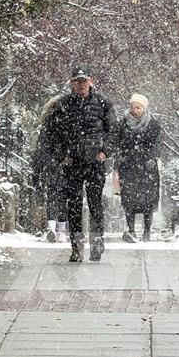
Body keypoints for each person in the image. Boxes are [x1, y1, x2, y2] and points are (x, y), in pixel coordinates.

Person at [40, 66, 115, 262]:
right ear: (72, 83)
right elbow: (51, 133)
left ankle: (97, 242)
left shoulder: (103, 103)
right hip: (72, 162)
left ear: (90, 81)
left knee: (95, 203)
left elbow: (112, 131)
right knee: (73, 205)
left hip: (95, 162)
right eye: (77, 81)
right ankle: (76, 246)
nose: (81, 84)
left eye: (84, 80)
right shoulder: (63, 104)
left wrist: (104, 152)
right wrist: (61, 155)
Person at [115, 93, 162, 242]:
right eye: (133, 107)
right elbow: (117, 141)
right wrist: (120, 156)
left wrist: (153, 157)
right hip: (128, 165)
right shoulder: (123, 123)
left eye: (138, 107)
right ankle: (131, 230)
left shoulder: (153, 124)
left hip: (147, 166)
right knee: (129, 199)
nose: (135, 110)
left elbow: (158, 142)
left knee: (148, 200)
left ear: (144, 108)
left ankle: (147, 231)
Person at [30, 94, 68, 243]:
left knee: (53, 196)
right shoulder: (68, 121)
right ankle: (61, 230)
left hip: (52, 164)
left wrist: (43, 163)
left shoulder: (47, 123)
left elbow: (42, 146)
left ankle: (52, 227)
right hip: (64, 163)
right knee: (63, 197)